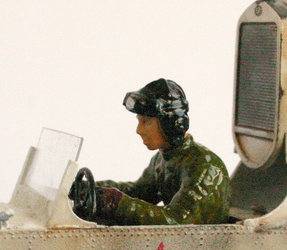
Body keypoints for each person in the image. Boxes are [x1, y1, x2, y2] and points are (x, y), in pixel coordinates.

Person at [85, 78, 230, 225]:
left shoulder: (205, 167)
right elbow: (140, 192)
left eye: (146, 122)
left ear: (171, 124)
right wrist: (95, 189)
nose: (139, 130)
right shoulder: (162, 159)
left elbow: (177, 221)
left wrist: (118, 203)